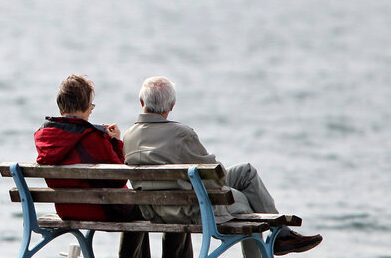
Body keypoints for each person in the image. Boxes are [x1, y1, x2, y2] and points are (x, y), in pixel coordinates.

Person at [123, 76, 323, 257]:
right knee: (246, 200)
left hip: (156, 208)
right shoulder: (181, 133)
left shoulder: (129, 136)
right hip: (191, 210)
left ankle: (282, 235)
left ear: (142, 102)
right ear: (172, 105)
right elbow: (215, 177)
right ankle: (278, 238)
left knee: (246, 172)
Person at [34, 74, 151, 258]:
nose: (91, 111)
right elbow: (119, 178)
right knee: (143, 207)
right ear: (84, 106)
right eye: (91, 105)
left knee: (136, 208)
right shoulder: (91, 137)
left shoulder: (45, 136)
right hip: (100, 208)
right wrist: (117, 143)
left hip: (66, 209)